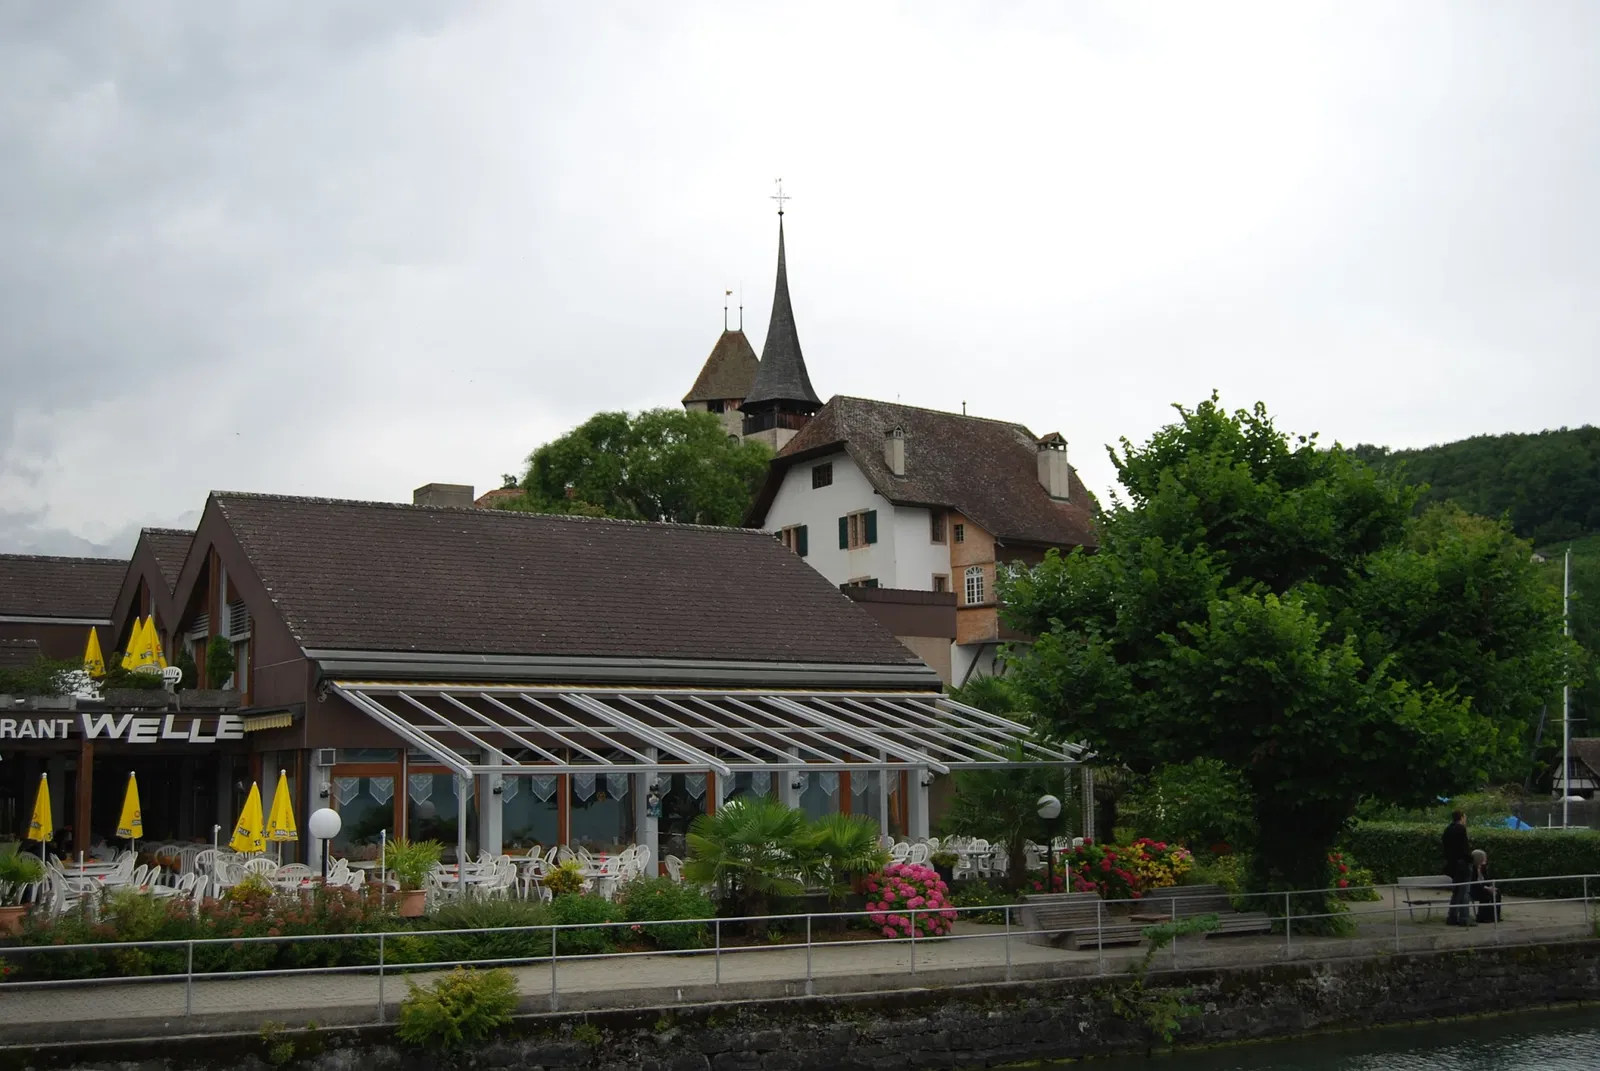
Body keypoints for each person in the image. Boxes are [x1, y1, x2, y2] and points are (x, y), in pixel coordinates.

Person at [1442, 809, 1473, 926]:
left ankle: (1452, 916)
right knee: (1464, 891)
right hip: (1462, 864)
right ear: (1461, 817)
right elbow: (1464, 848)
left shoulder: (1448, 830)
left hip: (1452, 865)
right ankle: (1464, 917)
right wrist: (1469, 859)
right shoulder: (1461, 829)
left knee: (1456, 892)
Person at [1470, 849, 1502, 924]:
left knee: (1497, 892)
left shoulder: (1483, 868)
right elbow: (1473, 883)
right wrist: (1486, 888)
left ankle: (1495, 916)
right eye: (1484, 857)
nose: (1485, 859)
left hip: (1483, 887)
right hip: (1475, 889)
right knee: (1486, 894)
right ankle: (1482, 917)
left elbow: (1486, 879)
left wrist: (1491, 886)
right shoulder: (1472, 869)